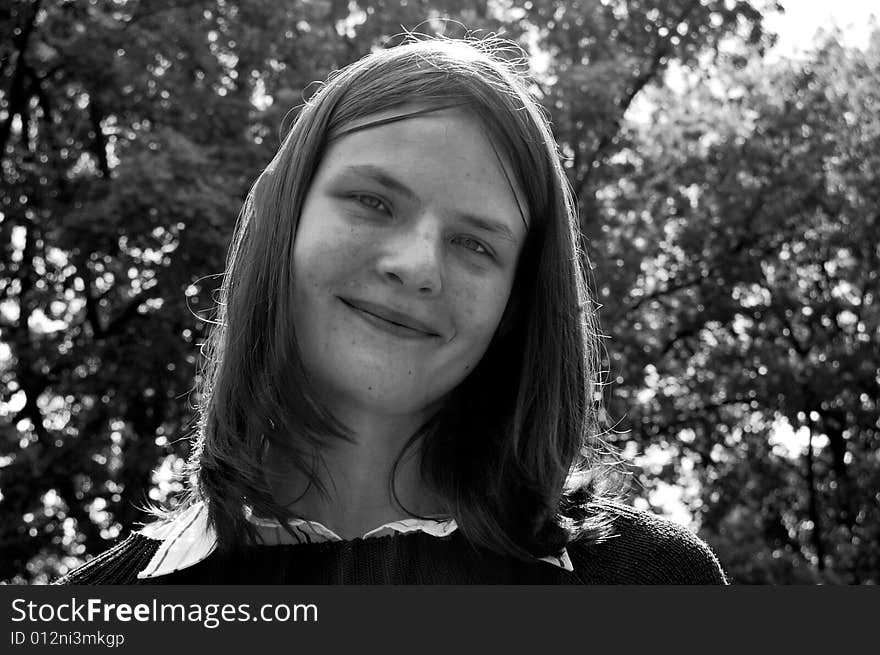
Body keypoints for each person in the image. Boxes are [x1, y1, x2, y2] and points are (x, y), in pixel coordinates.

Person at [58, 36, 726, 585]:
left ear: (515, 306)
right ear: (275, 221)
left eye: (474, 242)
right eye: (374, 202)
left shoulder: (653, 580)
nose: (418, 265)